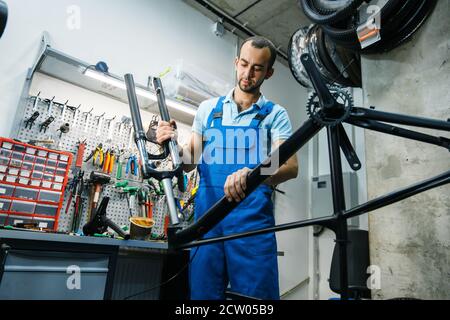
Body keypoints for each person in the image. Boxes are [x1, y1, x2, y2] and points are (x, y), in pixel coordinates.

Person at [156, 36, 299, 300]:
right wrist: (173, 145)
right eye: (244, 64)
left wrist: (255, 174)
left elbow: (290, 166)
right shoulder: (208, 110)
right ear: (236, 62)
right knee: (203, 297)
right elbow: (189, 162)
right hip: (207, 223)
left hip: (252, 227)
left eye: (257, 68)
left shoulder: (275, 114)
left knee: (257, 301)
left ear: (269, 72)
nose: (248, 73)